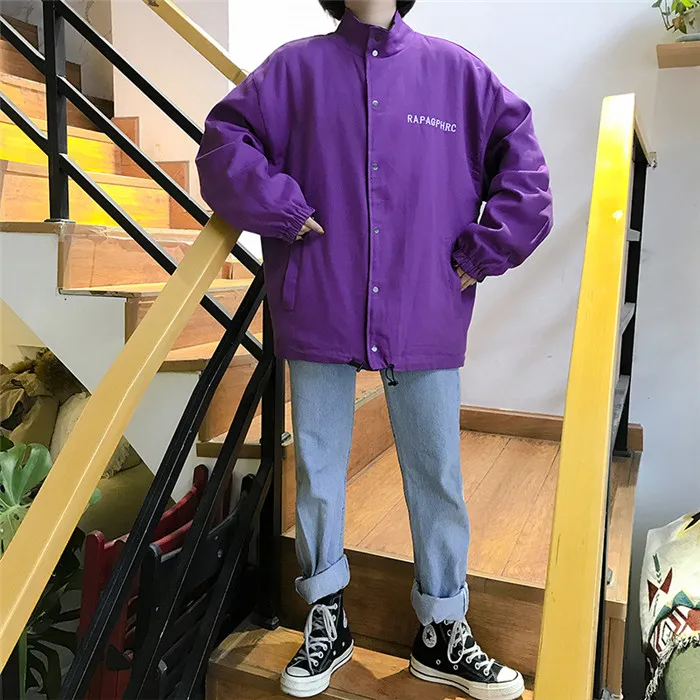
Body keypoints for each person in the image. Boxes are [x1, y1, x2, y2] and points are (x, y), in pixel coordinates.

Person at [196, 0, 553, 697]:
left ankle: (442, 629)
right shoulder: (293, 71)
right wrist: (283, 208)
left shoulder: (458, 76)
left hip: (424, 305)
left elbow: (527, 178)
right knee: (319, 470)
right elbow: (222, 145)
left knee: (436, 473)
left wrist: (483, 253)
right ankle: (325, 617)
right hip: (319, 299)